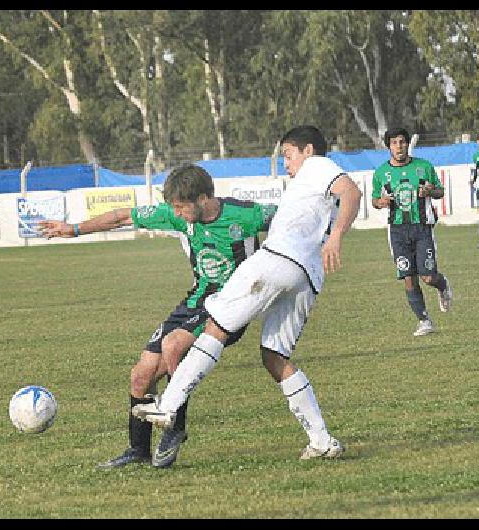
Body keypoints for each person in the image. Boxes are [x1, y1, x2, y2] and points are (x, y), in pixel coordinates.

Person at [132, 125, 361, 461]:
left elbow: (351, 192)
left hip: (277, 259)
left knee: (215, 327)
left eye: (287, 154)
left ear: (308, 150)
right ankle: (321, 440)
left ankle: (168, 407)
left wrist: (337, 234)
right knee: (275, 357)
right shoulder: (309, 186)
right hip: (307, 277)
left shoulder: (317, 166)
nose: (286, 163)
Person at [39, 163, 276, 468]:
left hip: (232, 305)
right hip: (196, 301)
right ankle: (138, 450)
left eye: (180, 207)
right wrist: (72, 230)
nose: (176, 214)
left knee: (174, 345)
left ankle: (174, 426)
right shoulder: (177, 215)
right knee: (141, 376)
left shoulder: (246, 215)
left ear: (203, 199)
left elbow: (292, 218)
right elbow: (122, 216)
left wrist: (325, 239)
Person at [371, 127, 453, 337]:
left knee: (427, 277)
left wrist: (429, 191)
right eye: (394, 143)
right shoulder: (381, 173)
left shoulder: (423, 167)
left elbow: (440, 191)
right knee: (408, 277)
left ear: (408, 144)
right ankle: (424, 321)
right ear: (388, 146)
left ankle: (442, 285)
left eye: (402, 142)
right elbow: (374, 200)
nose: (399, 146)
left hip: (422, 228)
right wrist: (380, 202)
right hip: (397, 231)